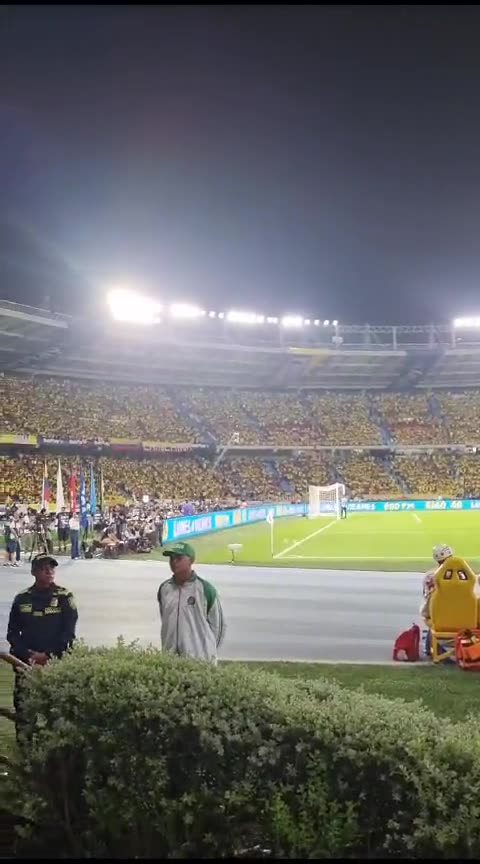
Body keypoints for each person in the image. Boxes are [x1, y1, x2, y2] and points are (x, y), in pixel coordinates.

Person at [6, 552, 78, 741]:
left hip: (55, 665)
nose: (49, 571)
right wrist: (28, 655)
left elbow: (68, 634)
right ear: (34, 572)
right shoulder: (22, 598)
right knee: (23, 711)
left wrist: (48, 655)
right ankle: (24, 750)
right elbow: (12, 633)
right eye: (44, 568)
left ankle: (51, 753)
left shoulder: (64, 597)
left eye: (52, 567)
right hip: (25, 665)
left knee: (55, 711)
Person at [157, 540, 225, 664]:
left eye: (179, 558)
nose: (174, 562)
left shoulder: (205, 590)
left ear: (191, 560)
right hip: (170, 662)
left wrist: (207, 652)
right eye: (171, 558)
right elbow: (165, 620)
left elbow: (218, 627)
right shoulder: (164, 589)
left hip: (200, 663)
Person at [420, 544, 454, 623]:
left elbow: (426, 596)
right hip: (462, 615)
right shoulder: (464, 575)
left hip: (436, 617)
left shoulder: (429, 576)